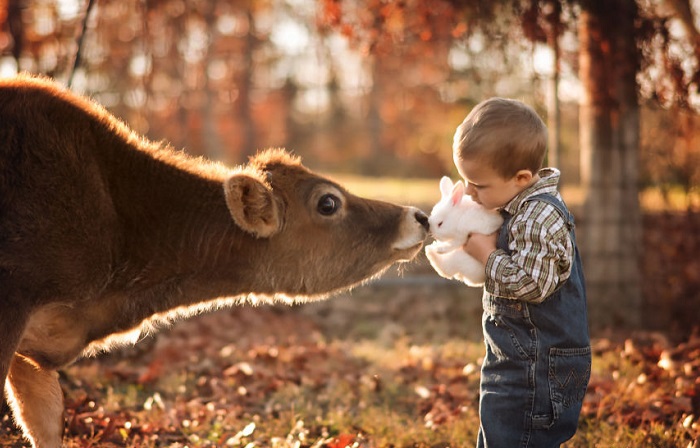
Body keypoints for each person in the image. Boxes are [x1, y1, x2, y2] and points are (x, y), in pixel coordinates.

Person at [454, 97, 591, 447]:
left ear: (521, 178)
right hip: (516, 359)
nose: (468, 191)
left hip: (538, 368)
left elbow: (532, 283)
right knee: (500, 430)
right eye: (465, 180)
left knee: (518, 435)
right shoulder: (517, 206)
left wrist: (488, 257)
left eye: (478, 185)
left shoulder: (538, 217)